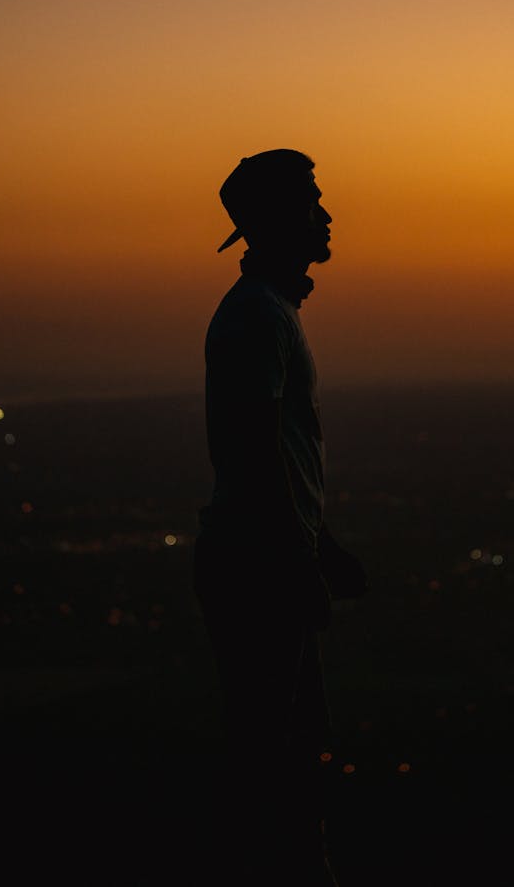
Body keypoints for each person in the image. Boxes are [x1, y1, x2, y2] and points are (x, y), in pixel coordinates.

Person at [193, 149, 367, 886]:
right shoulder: (257, 320)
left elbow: (275, 461)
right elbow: (255, 453)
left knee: (292, 747)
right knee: (272, 760)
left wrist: (318, 542)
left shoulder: (268, 315)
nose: (326, 216)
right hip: (259, 567)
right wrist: (298, 561)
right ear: (271, 224)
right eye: (311, 202)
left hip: (267, 560)